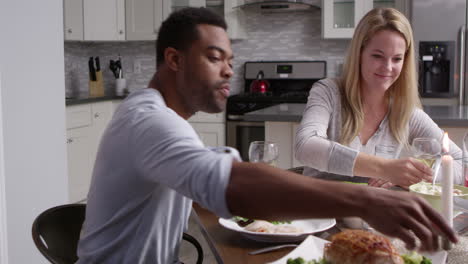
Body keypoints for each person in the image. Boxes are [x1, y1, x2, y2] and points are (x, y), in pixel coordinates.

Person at [76, 7, 458, 264]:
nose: (228, 72)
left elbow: (228, 176)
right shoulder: (150, 120)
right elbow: (235, 183)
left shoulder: (166, 119)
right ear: (175, 61)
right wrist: (368, 199)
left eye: (230, 60)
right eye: (213, 58)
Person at [295, 7, 463, 188]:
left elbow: (463, 164)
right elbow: (306, 146)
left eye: (397, 59)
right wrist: (384, 168)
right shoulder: (328, 92)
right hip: (318, 212)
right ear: (359, 54)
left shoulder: (405, 112)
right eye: (377, 56)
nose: (388, 67)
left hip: (370, 213)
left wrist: (413, 174)